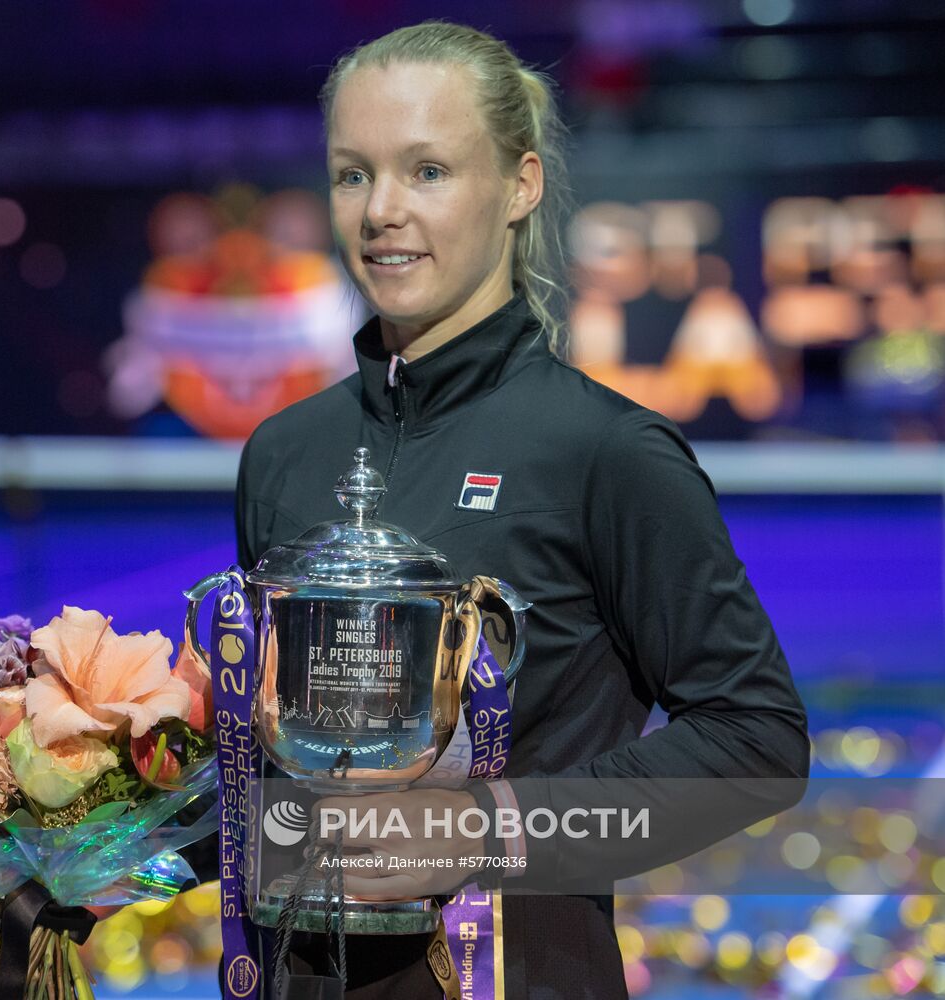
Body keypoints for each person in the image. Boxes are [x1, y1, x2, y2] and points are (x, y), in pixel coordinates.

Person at [227, 20, 810, 1000]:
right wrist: (83, 831)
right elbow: (277, 782)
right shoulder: (284, 453)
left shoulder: (605, 451)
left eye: (426, 171)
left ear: (520, 184)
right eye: (350, 174)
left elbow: (756, 742)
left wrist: (485, 827)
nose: (380, 211)